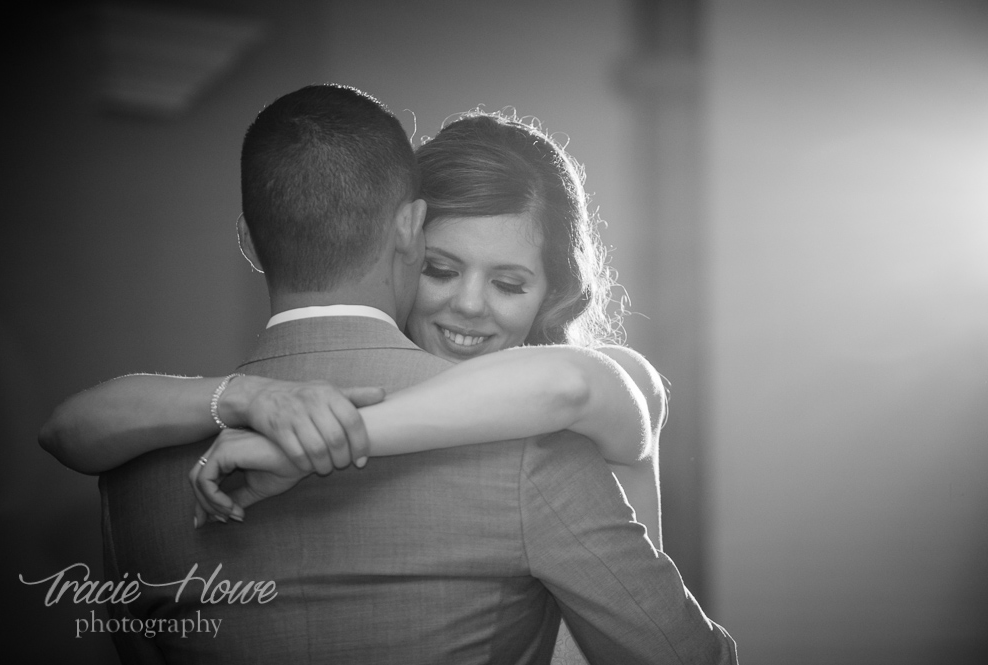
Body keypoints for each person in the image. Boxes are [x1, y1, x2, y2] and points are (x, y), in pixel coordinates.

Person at [41, 84, 737, 663]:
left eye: (509, 282)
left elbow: (566, 384)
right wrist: (255, 402)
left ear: (553, 295)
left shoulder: (584, 395)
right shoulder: (535, 456)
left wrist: (322, 436)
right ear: (403, 239)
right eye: (441, 268)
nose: (468, 304)